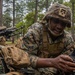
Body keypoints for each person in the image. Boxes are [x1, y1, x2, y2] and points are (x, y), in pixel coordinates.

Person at [17, 3, 75, 75]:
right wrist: (52, 62)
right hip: (34, 70)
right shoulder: (35, 31)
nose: (59, 27)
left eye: (63, 23)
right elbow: (24, 58)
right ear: (48, 19)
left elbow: (68, 61)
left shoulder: (67, 39)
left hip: (55, 71)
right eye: (56, 21)